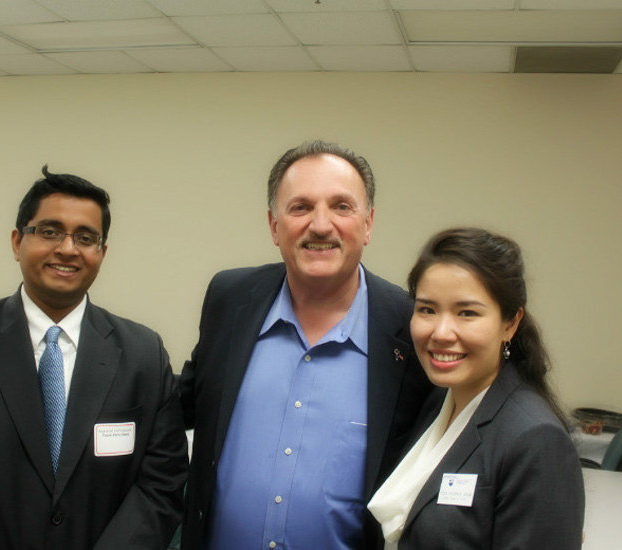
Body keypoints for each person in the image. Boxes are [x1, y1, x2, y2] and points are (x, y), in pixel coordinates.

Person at [0, 166, 188, 550]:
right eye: (49, 231)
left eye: (86, 238)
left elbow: (162, 483)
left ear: (102, 253)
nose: (68, 249)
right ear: (17, 242)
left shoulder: (143, 353)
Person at [179, 140, 433, 550]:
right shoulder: (230, 300)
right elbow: (183, 407)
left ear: (368, 224)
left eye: (341, 206)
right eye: (300, 207)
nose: (320, 225)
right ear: (273, 225)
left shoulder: (411, 327)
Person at [368, 227, 584, 549]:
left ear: (510, 323)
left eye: (467, 313)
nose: (441, 332)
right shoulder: (439, 402)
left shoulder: (536, 440)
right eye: (427, 309)